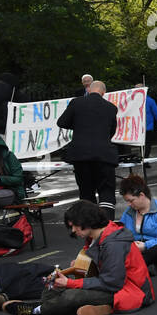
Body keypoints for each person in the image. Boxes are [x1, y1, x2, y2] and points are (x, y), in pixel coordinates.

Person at [2, 200, 153, 315]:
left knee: (71, 295)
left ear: (86, 221)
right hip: (118, 286)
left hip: (131, 291)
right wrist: (80, 266)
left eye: (74, 226)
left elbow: (112, 282)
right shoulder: (100, 235)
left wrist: (71, 283)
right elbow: (103, 265)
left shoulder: (113, 244)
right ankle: (105, 307)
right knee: (54, 287)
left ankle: (37, 309)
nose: (73, 230)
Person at [56, 79, 120, 219]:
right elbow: (112, 131)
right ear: (104, 92)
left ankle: (90, 223)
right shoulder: (111, 107)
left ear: (88, 90)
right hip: (104, 154)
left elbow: (61, 122)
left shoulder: (76, 103)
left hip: (80, 155)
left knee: (86, 191)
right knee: (106, 190)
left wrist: (80, 125)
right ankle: (107, 223)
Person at [118, 175, 157, 275]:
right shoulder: (129, 212)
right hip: (137, 247)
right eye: (127, 201)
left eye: (131, 200)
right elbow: (121, 229)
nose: (129, 204)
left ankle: (131, 268)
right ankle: (144, 267)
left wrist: (146, 245)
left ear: (142, 195)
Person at [142, 83, 157, 158]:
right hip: (148, 127)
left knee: (141, 145)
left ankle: (143, 158)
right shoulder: (150, 101)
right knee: (147, 144)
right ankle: (146, 159)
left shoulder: (132, 101)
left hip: (137, 127)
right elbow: (156, 113)